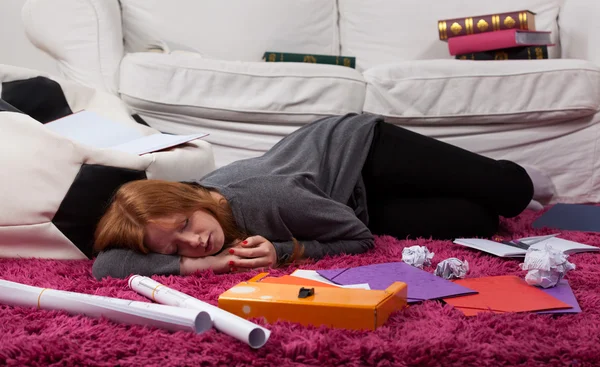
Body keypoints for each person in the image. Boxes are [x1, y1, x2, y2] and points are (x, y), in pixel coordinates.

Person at [92, 113, 533, 279]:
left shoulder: (266, 197)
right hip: (340, 198)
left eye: (186, 226)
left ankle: (511, 172)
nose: (195, 242)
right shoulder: (199, 240)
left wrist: (286, 251)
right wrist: (199, 264)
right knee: (479, 222)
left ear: (192, 199)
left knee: (512, 194)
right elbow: (105, 267)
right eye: (172, 247)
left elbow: (360, 240)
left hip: (359, 149)